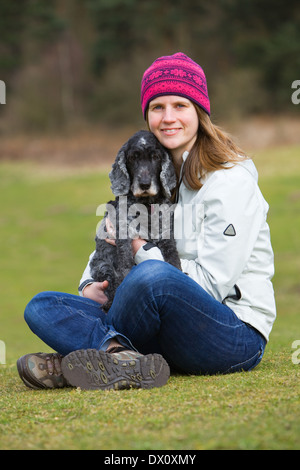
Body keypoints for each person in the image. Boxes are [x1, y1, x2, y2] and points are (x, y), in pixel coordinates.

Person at [17, 52, 276, 391]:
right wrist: (89, 286)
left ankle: (75, 362)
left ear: (199, 111)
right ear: (148, 115)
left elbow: (211, 285)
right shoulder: (154, 175)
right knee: (42, 306)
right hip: (162, 326)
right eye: (157, 107)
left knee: (150, 275)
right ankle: (119, 356)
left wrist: (140, 248)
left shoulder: (230, 181)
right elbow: (109, 245)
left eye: (180, 105)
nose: (168, 117)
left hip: (231, 333)